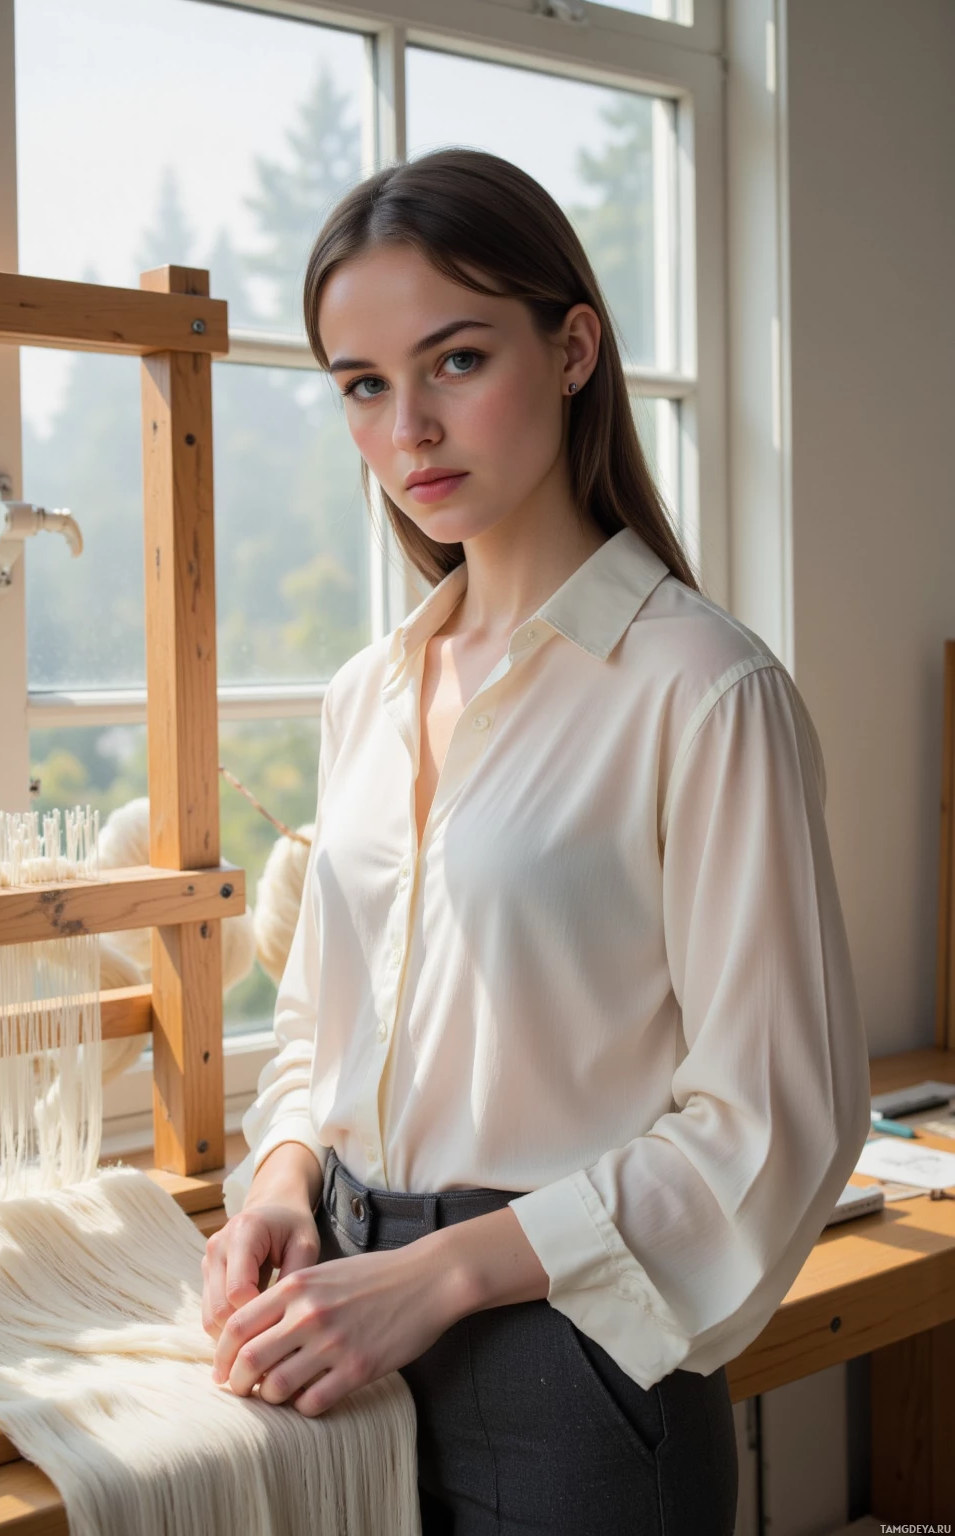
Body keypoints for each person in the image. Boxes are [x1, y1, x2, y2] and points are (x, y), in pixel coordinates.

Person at [204, 148, 871, 1534]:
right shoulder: (364, 696)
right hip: (331, 1342)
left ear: (573, 349)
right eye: (364, 386)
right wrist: (280, 1177)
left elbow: (775, 1118)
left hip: (568, 1358)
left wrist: (443, 1273)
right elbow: (328, 1024)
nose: (410, 432)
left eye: (454, 361)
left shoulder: (704, 690)